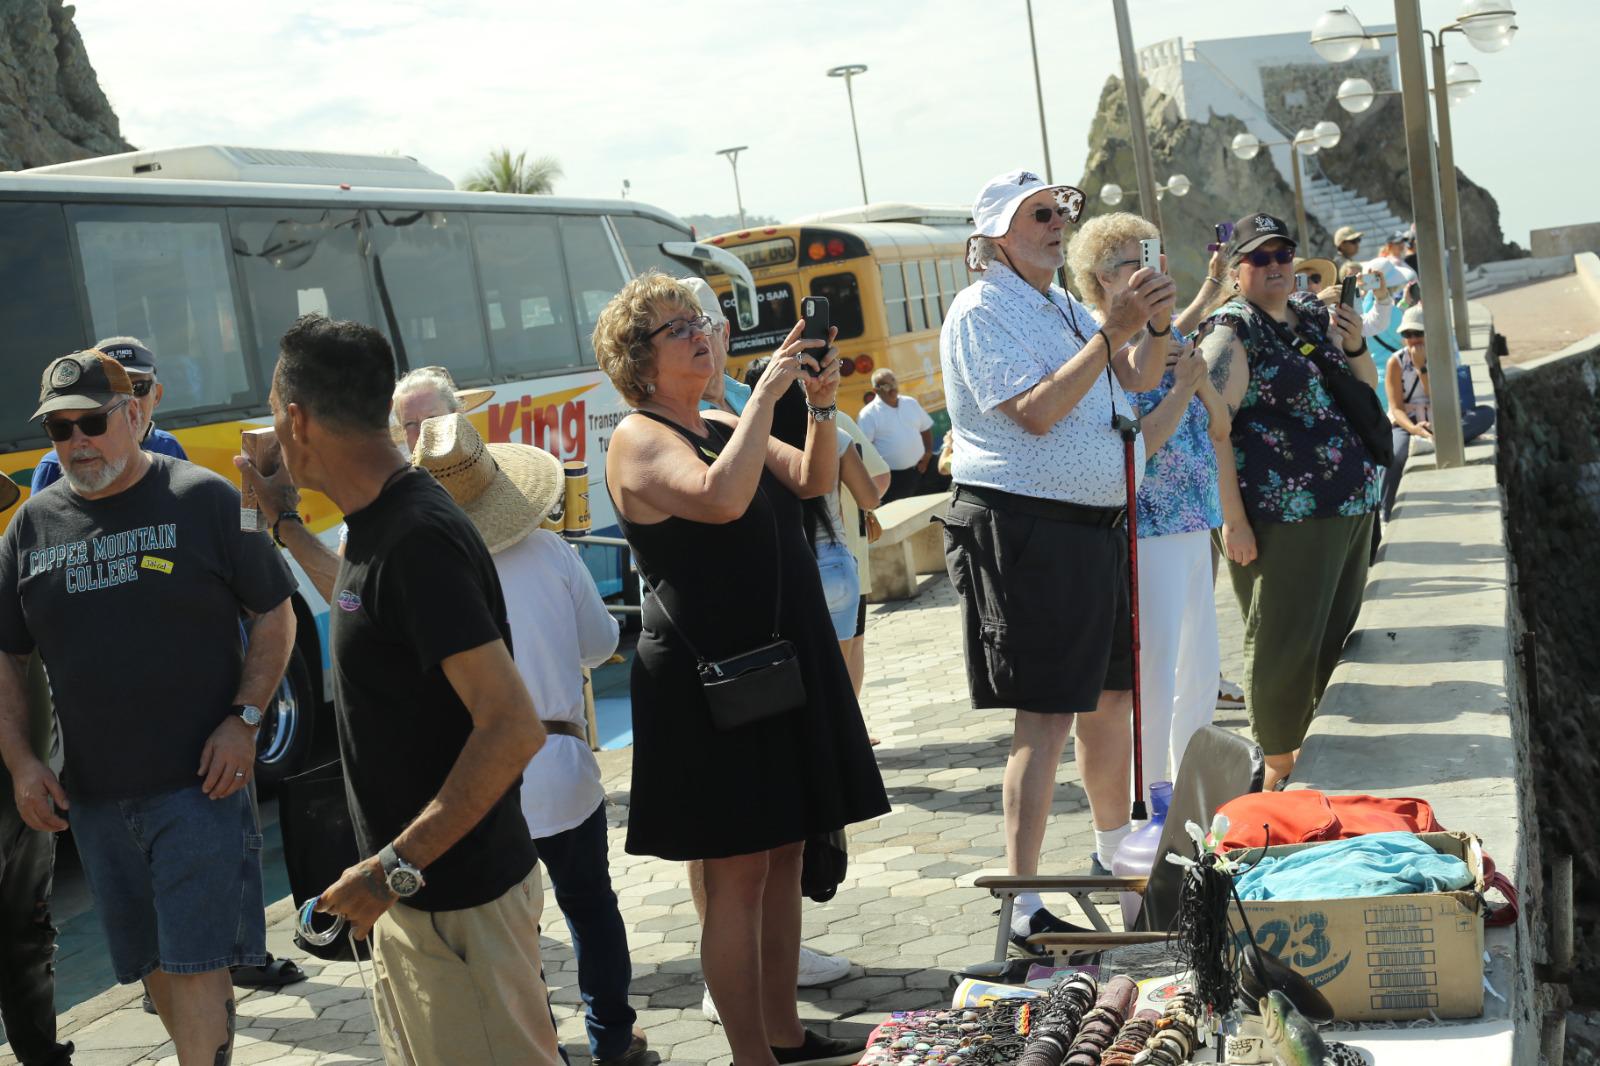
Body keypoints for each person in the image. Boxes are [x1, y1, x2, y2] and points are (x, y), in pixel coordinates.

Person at [594, 271, 888, 1066]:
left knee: (785, 855)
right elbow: (720, 499)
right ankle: (749, 1055)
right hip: (712, 685)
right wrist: (765, 393)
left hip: (776, 665)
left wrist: (820, 406)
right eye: (675, 326)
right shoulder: (639, 436)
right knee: (737, 876)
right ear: (639, 359)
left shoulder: (720, 415)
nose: (699, 330)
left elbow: (815, 477)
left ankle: (785, 1034)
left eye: (699, 319)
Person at [266, 314, 559, 1066]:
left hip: (457, 905)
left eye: (274, 415)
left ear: (297, 418)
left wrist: (395, 865)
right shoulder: (376, 525)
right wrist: (282, 525)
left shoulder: (415, 536)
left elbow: (512, 726)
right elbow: (371, 606)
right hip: (422, 903)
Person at [0, 351, 297, 1066]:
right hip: (96, 799)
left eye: (92, 422)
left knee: (196, 964)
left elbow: (276, 612)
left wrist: (246, 720)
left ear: (133, 416)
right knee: (156, 967)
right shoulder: (29, 529)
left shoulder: (209, 500)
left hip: (199, 784)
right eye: (60, 429)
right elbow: (8, 656)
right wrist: (21, 761)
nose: (77, 441)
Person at [940, 169, 1174, 947]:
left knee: (1108, 699)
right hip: (1027, 528)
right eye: (1040, 213)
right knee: (1040, 718)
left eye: (1061, 211)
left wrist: (1157, 326)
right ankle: (1022, 902)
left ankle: (1111, 852)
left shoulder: (1064, 306)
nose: (1057, 223)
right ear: (994, 236)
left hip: (1088, 528)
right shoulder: (981, 310)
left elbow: (1133, 379)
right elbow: (1036, 413)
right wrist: (1113, 330)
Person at [411, 412, 648, 1066]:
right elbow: (602, 645)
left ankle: (541, 1048)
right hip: (563, 769)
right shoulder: (552, 551)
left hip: (480, 786)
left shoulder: (424, 574)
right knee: (592, 912)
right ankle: (615, 1041)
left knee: (514, 937)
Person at [1197, 213, 1382, 791]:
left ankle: (1318, 754)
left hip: (1346, 505)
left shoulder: (1310, 316)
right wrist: (1234, 521)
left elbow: (1365, 388)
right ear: (1234, 271)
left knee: (1332, 634)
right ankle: (1279, 765)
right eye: (1259, 257)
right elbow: (1214, 432)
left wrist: (1352, 345)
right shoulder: (1230, 333)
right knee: (1283, 640)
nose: (1275, 265)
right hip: (1283, 517)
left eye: (1282, 254)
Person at [1066, 213, 1248, 799]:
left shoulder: (1170, 338)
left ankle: (1194, 784)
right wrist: (1178, 386)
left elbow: (1215, 427)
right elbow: (1137, 435)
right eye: (1133, 262)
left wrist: (1196, 383)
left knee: (1199, 667)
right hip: (1147, 525)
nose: (1151, 270)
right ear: (1100, 277)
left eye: (1155, 257)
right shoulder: (1101, 340)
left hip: (1193, 521)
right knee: (1157, 665)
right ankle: (1155, 788)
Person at [240, 365, 490, 603]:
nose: (423, 431)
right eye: (411, 424)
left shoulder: (491, 479)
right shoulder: (380, 496)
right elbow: (346, 597)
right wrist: (286, 520)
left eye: (432, 418)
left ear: (456, 417)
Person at [0, 473, 74, 1066]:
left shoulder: (8, 575)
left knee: (28, 930)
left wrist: (43, 768)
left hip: (23, 790)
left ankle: (43, 1055)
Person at [1381, 304, 1496, 520]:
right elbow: (1395, 407)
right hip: (1410, 420)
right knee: (1394, 455)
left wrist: (1421, 368)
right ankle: (1385, 513)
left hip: (1441, 416)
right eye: (1408, 334)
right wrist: (1415, 428)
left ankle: (1435, 437)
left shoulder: (1443, 357)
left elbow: (1442, 397)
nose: (1414, 339)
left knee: (1486, 414)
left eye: (1418, 333)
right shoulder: (1395, 362)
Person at [30, 337, 188, 494]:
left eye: (138, 387)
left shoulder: (169, 446)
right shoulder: (53, 466)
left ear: (157, 395)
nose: (129, 400)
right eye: (115, 392)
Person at [858, 369, 933, 503]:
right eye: (886, 385)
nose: (892, 389)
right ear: (876, 390)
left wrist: (928, 453)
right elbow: (864, 450)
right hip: (894, 480)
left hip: (922, 470)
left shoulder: (910, 403)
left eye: (894, 382)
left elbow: (925, 428)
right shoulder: (868, 415)